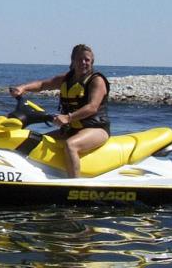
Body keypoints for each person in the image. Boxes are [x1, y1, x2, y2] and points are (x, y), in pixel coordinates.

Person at [9, 44, 110, 178]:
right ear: (73, 61)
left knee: (71, 145)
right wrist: (23, 88)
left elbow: (92, 107)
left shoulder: (97, 81)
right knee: (40, 140)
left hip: (96, 129)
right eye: (79, 59)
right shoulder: (67, 79)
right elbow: (43, 85)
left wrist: (68, 118)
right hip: (72, 129)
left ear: (92, 61)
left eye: (87, 60)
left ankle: (74, 185)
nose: (83, 63)